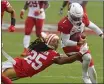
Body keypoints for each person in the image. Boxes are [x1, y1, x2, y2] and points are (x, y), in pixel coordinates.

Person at [2, 33, 88, 83]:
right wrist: (79, 54)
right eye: (57, 42)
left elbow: (63, 57)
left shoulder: (40, 46)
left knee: (2, 77)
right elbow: (66, 60)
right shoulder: (52, 55)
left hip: (18, 63)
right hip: (22, 69)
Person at [58, 3, 103, 83]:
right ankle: (85, 76)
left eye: (79, 17)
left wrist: (102, 35)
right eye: (75, 18)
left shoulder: (83, 17)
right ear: (69, 13)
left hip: (79, 42)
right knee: (87, 58)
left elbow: (93, 26)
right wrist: (78, 43)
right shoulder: (64, 24)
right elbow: (65, 42)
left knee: (91, 65)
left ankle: (89, 79)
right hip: (69, 47)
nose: (78, 20)